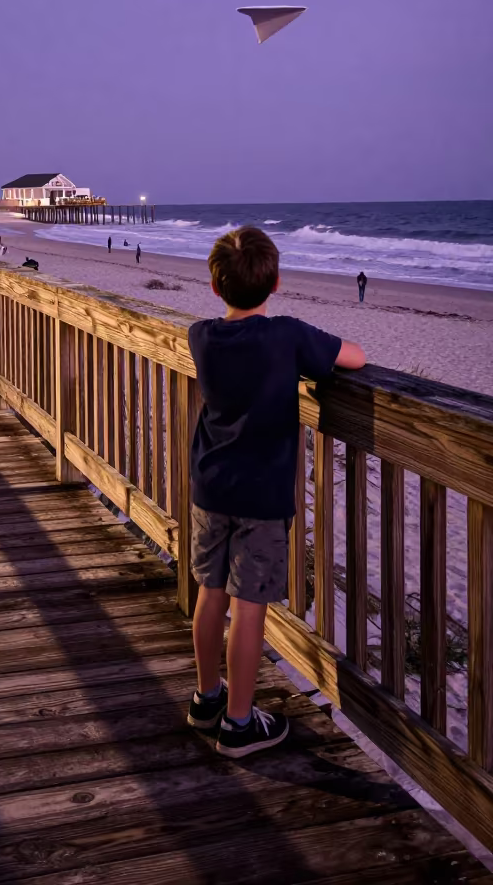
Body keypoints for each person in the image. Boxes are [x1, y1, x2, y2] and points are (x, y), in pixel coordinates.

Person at [186, 226, 365, 757]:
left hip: (210, 488)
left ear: (215, 286)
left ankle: (206, 699)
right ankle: (240, 725)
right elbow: (351, 356)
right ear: (277, 282)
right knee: (249, 607)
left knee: (210, 595)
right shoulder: (285, 336)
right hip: (262, 498)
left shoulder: (201, 334)